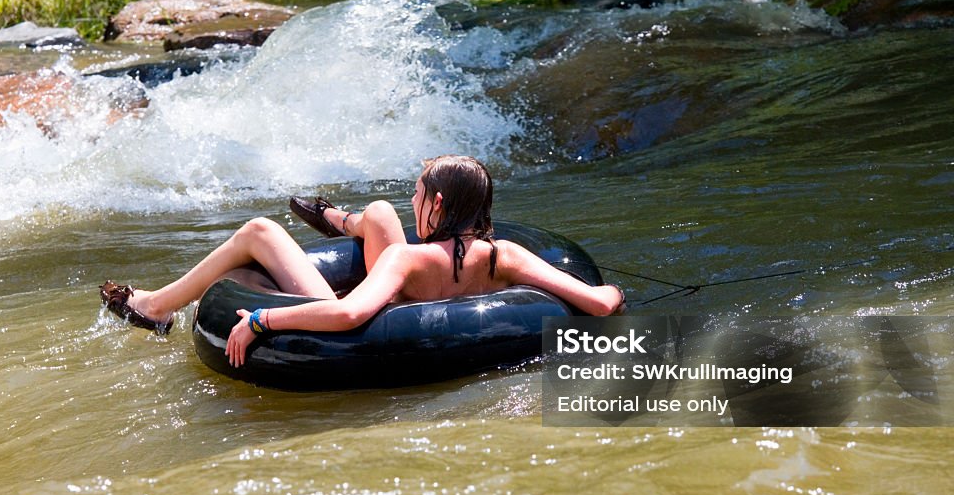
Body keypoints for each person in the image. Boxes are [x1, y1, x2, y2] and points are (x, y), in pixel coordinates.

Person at [100, 154, 625, 367]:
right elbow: (599, 303)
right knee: (377, 213)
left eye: (417, 195)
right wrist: (613, 293)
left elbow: (350, 315)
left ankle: (156, 308)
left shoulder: (402, 260)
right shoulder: (504, 255)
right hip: (425, 303)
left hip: (358, 323)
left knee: (259, 231)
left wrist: (262, 318)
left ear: (437, 205)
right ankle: (342, 220)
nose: (413, 202)